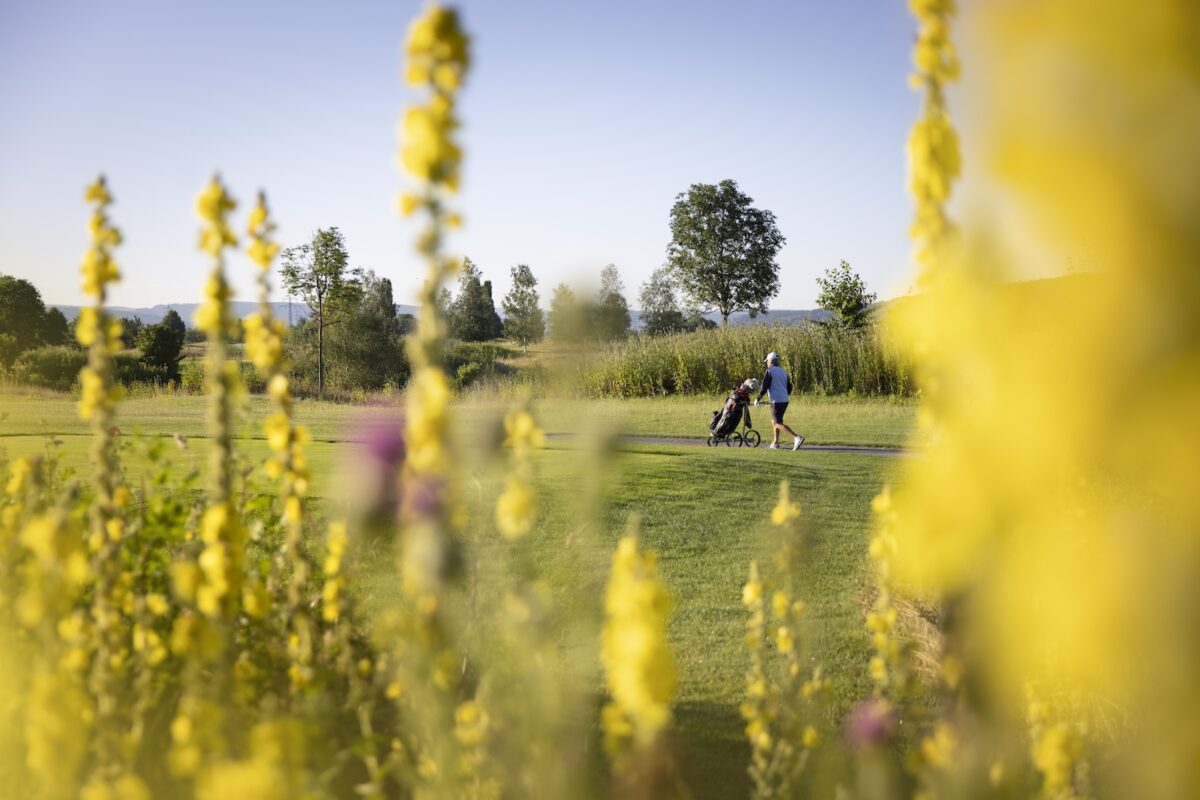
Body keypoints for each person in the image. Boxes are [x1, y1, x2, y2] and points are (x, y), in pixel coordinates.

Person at [755, 352, 804, 450]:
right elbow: (789, 387)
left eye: (767, 361)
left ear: (771, 361)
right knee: (775, 421)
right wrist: (783, 394)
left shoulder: (770, 371)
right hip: (784, 400)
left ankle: (796, 437)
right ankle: (775, 443)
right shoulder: (783, 371)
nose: (767, 363)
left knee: (777, 423)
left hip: (776, 401)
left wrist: (758, 398)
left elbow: (765, 387)